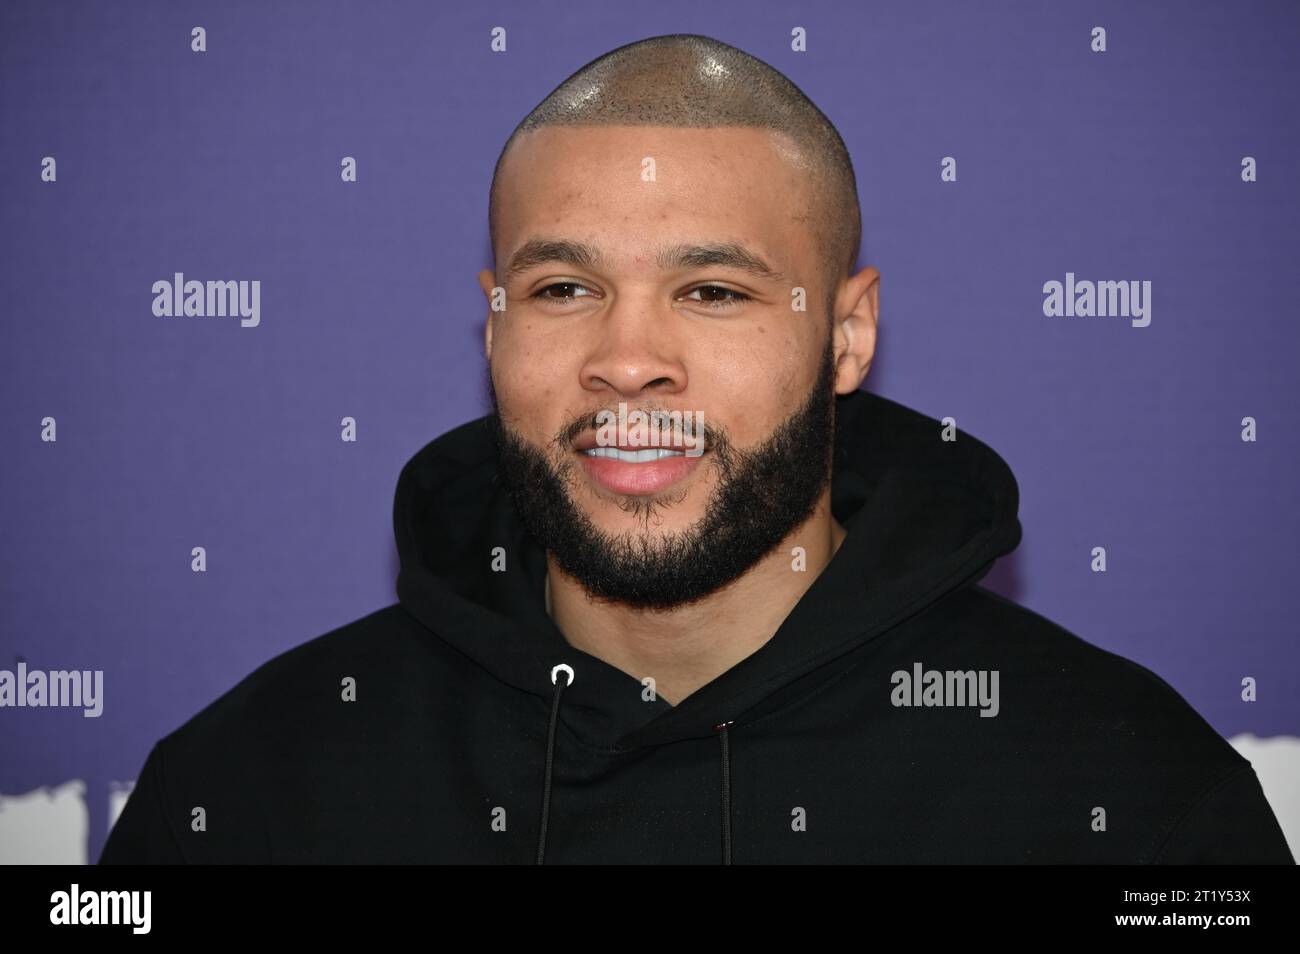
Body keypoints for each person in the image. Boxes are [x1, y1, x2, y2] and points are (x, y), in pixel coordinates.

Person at [100, 33, 1293, 864]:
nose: (628, 359)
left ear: (847, 332)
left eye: (713, 292)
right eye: (563, 285)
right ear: (496, 320)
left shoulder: (1121, 792)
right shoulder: (250, 789)